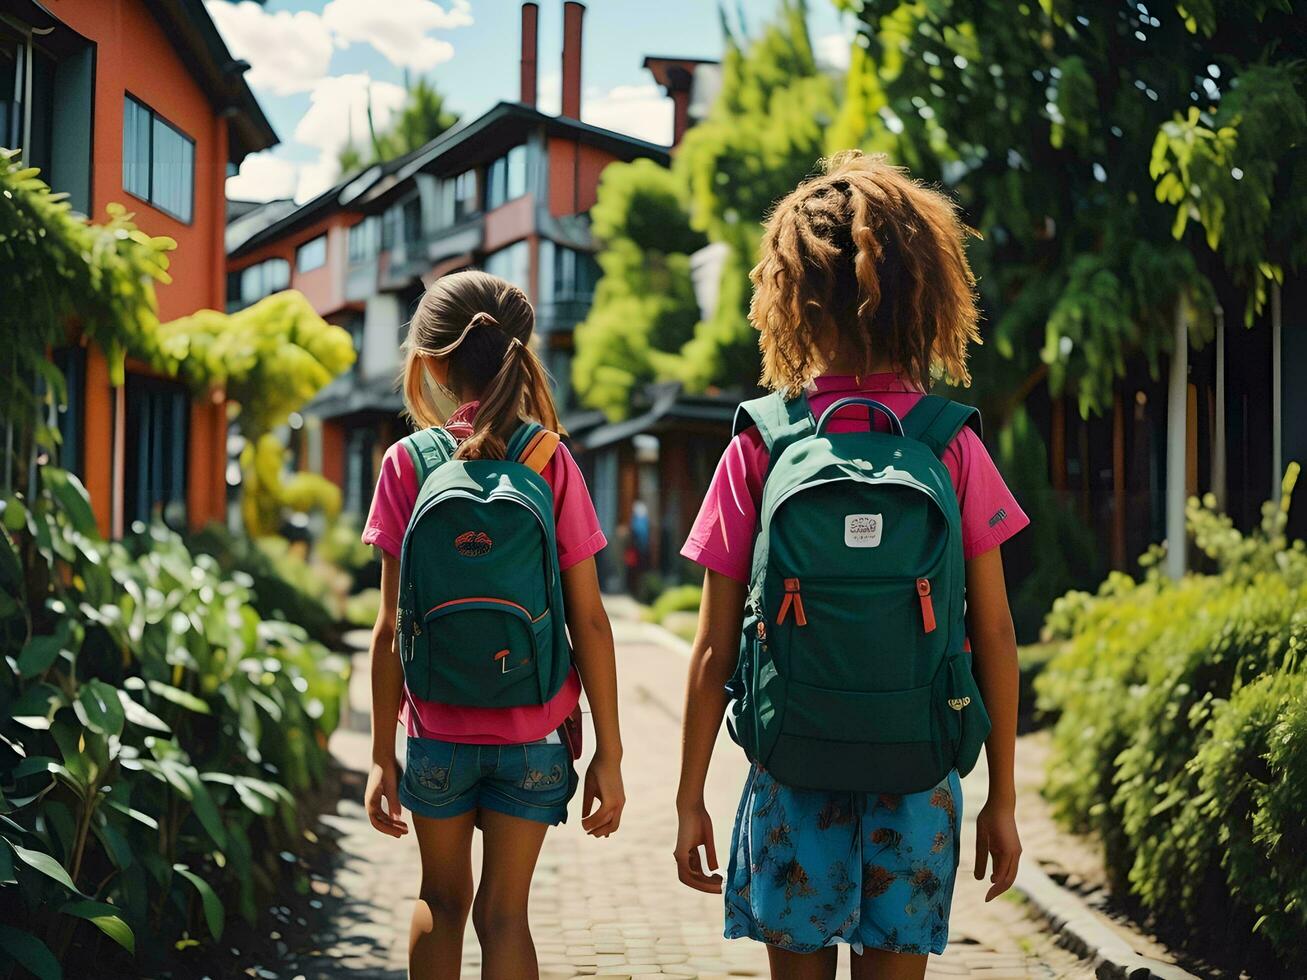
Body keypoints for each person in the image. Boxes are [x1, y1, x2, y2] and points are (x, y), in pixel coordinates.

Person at [674, 151, 1029, 980]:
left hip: (792, 770)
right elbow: (997, 635)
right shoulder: (950, 442)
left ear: (790, 295)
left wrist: (690, 796)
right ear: (923, 290)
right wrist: (1000, 801)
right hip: (917, 781)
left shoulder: (762, 442)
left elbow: (711, 653)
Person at [361, 271, 624, 980]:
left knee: (440, 899)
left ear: (431, 360)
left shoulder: (407, 463)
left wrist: (382, 753)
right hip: (534, 730)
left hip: (436, 731)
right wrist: (610, 752)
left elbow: (389, 627)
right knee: (506, 914)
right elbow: (590, 622)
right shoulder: (547, 458)